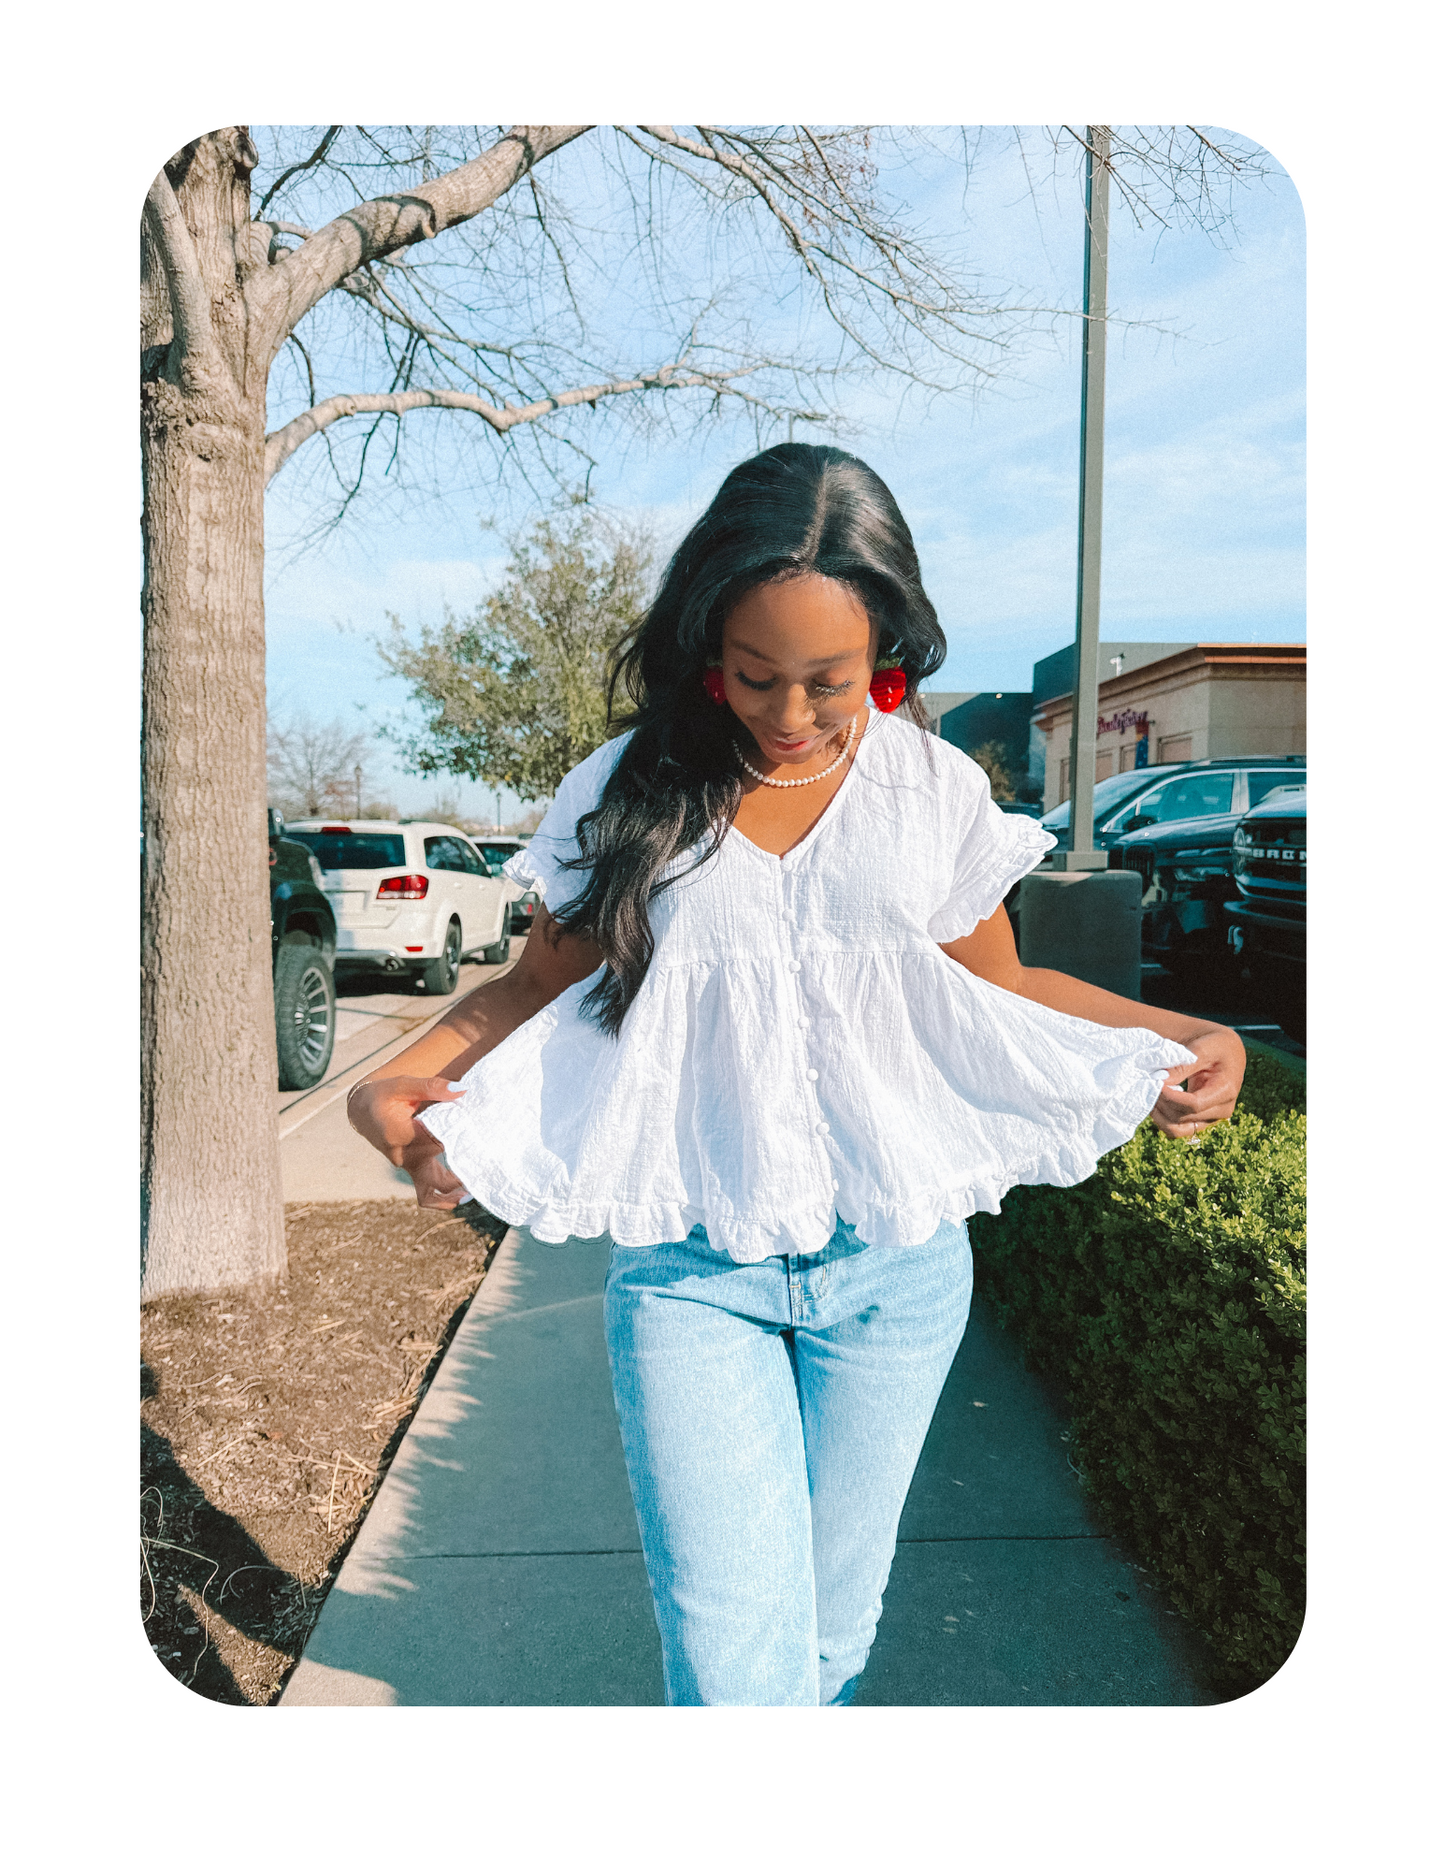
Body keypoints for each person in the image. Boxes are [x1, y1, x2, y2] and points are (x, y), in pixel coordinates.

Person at [346, 444, 1245, 1706]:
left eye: (828, 682)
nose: (785, 714)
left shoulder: (930, 789)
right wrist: (390, 1083)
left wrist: (1189, 1032)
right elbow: (528, 986)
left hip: (899, 1272)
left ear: (889, 648)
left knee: (826, 1636)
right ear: (702, 647)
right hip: (691, 1279)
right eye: (751, 675)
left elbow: (1005, 986)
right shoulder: (628, 790)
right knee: (729, 1665)